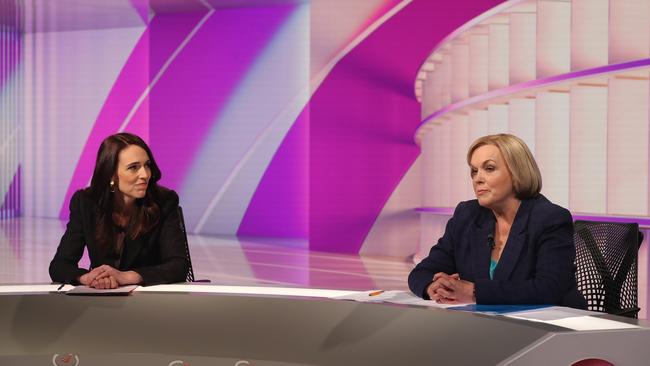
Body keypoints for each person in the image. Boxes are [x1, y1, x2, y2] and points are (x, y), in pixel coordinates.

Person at [408, 134, 586, 309]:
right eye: (474, 171)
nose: (478, 179)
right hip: (489, 326)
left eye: (490, 168)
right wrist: (434, 288)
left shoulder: (550, 218)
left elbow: (549, 289)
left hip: (554, 327)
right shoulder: (467, 215)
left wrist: (474, 292)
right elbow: (422, 272)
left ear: (518, 173)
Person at [49, 133, 189, 289]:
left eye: (147, 165)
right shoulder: (85, 203)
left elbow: (179, 266)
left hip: (149, 300)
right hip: (102, 297)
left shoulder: (164, 201)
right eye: (133, 167)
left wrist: (127, 276)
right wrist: (87, 278)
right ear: (111, 175)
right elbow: (60, 265)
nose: (145, 174)